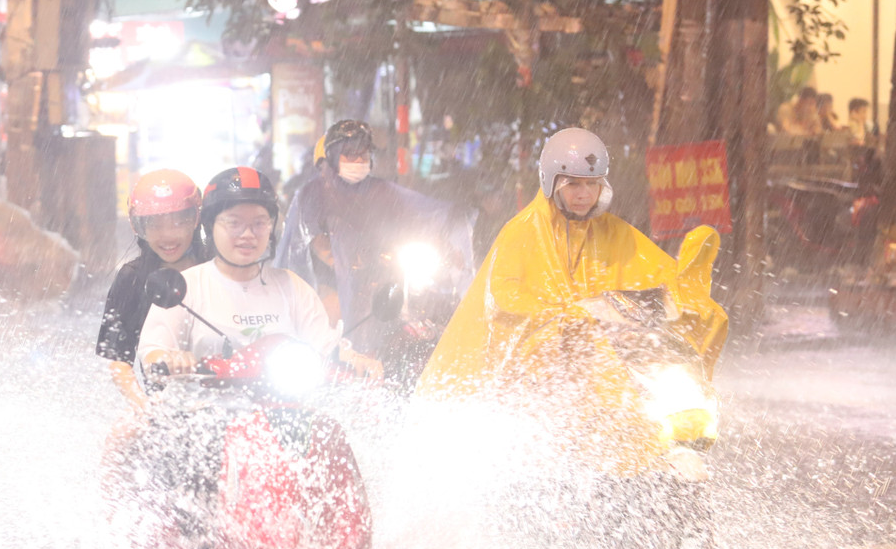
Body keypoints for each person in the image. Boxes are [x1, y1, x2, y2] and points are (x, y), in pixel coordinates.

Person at [416, 126, 727, 411]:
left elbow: (654, 272)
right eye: (574, 184)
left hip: (599, 356)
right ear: (551, 182)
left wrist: (688, 288)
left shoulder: (612, 232)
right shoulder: (521, 232)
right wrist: (560, 315)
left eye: (592, 184)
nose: (584, 194)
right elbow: (504, 294)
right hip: (530, 370)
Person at [138, 166, 382, 378]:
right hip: (203, 415)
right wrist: (171, 359)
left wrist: (354, 359)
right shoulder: (187, 287)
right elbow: (152, 351)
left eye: (259, 223)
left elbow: (326, 346)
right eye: (234, 223)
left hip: (285, 412)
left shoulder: (291, 286)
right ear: (211, 226)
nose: (247, 234)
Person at [274, 119, 474, 353]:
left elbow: (417, 215)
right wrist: (344, 262)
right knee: (332, 324)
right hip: (329, 280)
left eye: (363, 154)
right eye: (350, 154)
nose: (359, 161)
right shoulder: (313, 193)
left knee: (416, 321)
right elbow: (310, 239)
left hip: (380, 274)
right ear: (332, 157)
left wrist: (446, 242)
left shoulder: (380, 190)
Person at [97, 169, 206, 411]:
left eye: (178, 221)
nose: (167, 235)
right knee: (120, 438)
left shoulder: (217, 268)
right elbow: (118, 359)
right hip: (164, 403)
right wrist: (144, 408)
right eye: (153, 224)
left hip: (223, 395)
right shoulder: (131, 278)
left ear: (196, 218)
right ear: (138, 227)